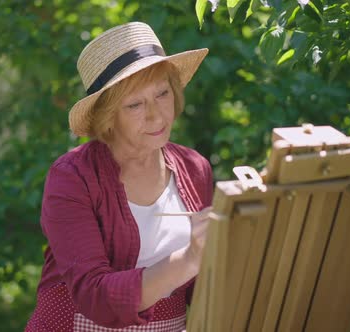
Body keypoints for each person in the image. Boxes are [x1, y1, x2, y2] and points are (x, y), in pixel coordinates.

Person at [26, 22, 214, 331]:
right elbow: (95, 295)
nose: (156, 115)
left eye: (162, 94)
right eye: (135, 104)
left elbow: (202, 290)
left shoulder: (195, 167)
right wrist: (190, 257)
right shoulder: (72, 177)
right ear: (108, 116)